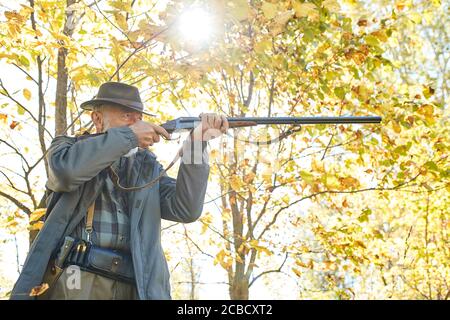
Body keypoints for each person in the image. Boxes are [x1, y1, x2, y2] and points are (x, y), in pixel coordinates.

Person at [10, 82, 228, 300]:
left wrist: (197, 144)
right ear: (97, 119)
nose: (136, 123)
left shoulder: (147, 166)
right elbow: (67, 173)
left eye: (138, 117)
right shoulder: (66, 148)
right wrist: (130, 137)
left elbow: (186, 209)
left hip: (136, 286)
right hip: (79, 281)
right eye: (126, 116)